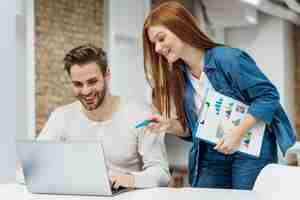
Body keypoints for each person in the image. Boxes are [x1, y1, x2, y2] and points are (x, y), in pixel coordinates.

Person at [142, 1, 296, 190]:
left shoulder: (228, 59)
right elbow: (198, 129)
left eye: (161, 38)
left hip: (249, 150)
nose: (157, 48)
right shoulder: (180, 77)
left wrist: (237, 133)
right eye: (154, 44)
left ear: (181, 28)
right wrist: (171, 126)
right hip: (210, 153)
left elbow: (268, 96)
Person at [35, 44, 170, 189]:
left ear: (107, 75)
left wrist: (129, 179)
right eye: (78, 84)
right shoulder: (61, 117)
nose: (86, 91)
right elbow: (29, 168)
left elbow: (161, 173)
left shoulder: (140, 114)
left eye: (92, 82)